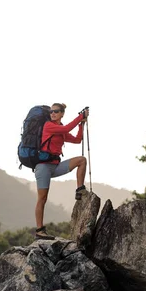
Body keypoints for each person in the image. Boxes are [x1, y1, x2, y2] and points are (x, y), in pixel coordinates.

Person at [34, 103, 89, 240]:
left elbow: (77, 140)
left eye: (56, 111)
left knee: (81, 160)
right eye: (51, 111)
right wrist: (81, 117)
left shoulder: (60, 129)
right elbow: (67, 128)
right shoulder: (49, 126)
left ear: (62, 113)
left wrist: (81, 125)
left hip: (55, 166)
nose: (53, 113)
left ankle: (80, 190)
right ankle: (40, 231)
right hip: (43, 167)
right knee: (42, 198)